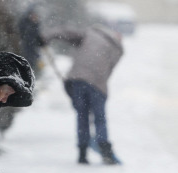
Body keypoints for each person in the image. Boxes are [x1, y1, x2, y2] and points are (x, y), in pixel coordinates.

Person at [42, 24, 123, 165]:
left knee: (82, 116)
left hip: (78, 80)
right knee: (100, 118)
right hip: (97, 84)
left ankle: (82, 153)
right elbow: (108, 70)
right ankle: (105, 149)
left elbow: (66, 33)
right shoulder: (117, 49)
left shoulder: (90, 34)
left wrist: (46, 36)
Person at [18, 4, 45, 76]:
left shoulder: (35, 25)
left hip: (34, 51)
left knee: (36, 64)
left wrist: (40, 41)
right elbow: (26, 36)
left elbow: (37, 36)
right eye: (34, 15)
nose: (35, 17)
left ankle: (36, 77)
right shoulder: (26, 24)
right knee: (29, 65)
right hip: (27, 49)